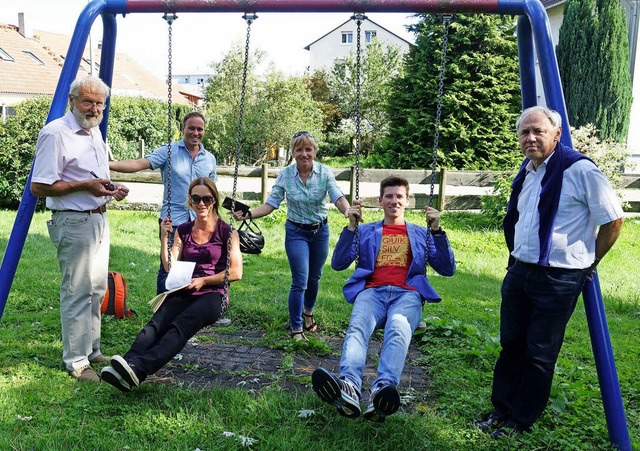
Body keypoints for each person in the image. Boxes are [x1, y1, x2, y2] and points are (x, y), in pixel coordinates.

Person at [476, 106, 625, 438]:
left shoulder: (580, 170)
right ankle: (501, 409)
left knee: (539, 354)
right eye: (524, 132)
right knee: (511, 345)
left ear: (556, 134)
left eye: (538, 131)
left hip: (559, 278)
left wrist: (590, 262)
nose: (530, 138)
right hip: (519, 271)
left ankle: (519, 420)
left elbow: (613, 220)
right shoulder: (528, 170)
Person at [312, 175, 456, 422]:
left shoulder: (421, 233)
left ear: (407, 201)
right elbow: (338, 264)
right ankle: (349, 386)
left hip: (407, 294)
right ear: (380, 201)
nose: (394, 201)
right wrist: (351, 227)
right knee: (358, 326)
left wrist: (437, 231)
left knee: (398, 328)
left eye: (399, 196)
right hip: (372, 292)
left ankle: (383, 389)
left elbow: (447, 268)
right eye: (389, 196)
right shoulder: (367, 230)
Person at [30, 75, 130, 381]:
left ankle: (92, 350)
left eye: (100, 103)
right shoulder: (55, 133)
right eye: (88, 101)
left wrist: (111, 189)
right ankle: (76, 362)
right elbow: (39, 186)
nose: (95, 108)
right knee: (76, 290)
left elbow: (94, 178)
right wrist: (86, 185)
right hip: (73, 221)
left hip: (99, 218)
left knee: (96, 288)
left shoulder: (94, 131)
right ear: (72, 101)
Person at [100, 177, 242, 392]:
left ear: (214, 200)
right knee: (157, 323)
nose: (201, 203)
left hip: (213, 294)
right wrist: (165, 237)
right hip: (186, 288)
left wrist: (204, 280)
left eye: (207, 198)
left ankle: (139, 370)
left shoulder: (227, 231)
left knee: (180, 325)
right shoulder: (183, 230)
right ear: (190, 201)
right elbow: (170, 266)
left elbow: (236, 272)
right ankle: (125, 364)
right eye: (196, 198)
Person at [233, 131, 350, 341]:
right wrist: (249, 214)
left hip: (320, 232)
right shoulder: (286, 175)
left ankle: (308, 312)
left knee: (315, 278)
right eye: (299, 149)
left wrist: (348, 211)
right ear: (293, 152)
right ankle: (296, 327)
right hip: (296, 233)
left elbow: (337, 196)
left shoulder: (325, 173)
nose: (304, 153)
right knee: (300, 280)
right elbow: (271, 204)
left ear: (315, 151)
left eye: (308, 149)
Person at [109, 112, 217, 295]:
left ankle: (185, 310)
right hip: (173, 221)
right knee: (169, 268)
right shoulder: (169, 151)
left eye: (200, 129)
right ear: (183, 129)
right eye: (191, 128)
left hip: (199, 222)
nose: (195, 133)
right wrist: (107, 164)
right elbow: (138, 164)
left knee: (194, 269)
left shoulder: (210, 159)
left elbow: (212, 193)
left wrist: (213, 220)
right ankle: (162, 309)